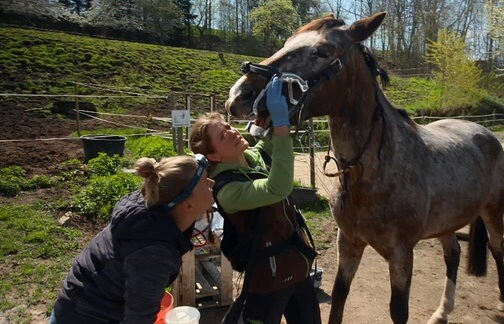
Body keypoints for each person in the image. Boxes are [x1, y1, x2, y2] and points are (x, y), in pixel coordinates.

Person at [188, 77, 321, 324]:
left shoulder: (250, 157)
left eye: (228, 127)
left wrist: (275, 112)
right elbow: (277, 188)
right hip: (268, 279)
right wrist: (280, 127)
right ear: (214, 155)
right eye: (223, 135)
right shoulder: (228, 190)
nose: (232, 131)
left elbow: (268, 144)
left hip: (297, 267)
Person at [50, 154, 215, 324]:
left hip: (77, 303)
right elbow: (138, 319)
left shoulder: (149, 206)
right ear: (188, 204)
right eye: (205, 184)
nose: (212, 183)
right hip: (85, 317)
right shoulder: (154, 253)